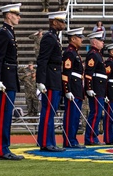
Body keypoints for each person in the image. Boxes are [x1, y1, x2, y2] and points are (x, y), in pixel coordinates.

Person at [0, 2, 24, 159]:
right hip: (4, 78)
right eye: (16, 14)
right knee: (3, 115)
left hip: (9, 78)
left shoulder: (9, 32)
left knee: (8, 115)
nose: (19, 17)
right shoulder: (3, 33)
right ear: (9, 15)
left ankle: (5, 148)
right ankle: (2, 150)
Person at [35, 10, 67, 152]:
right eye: (61, 21)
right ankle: (45, 142)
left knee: (51, 112)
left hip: (54, 78)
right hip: (50, 78)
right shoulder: (49, 38)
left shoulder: (54, 37)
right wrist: (40, 80)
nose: (63, 24)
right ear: (54, 22)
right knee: (48, 112)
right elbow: (42, 60)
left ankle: (49, 141)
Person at [61, 27, 86, 149]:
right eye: (79, 37)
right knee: (71, 115)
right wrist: (67, 90)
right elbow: (66, 73)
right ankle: (69, 140)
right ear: (73, 38)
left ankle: (73, 139)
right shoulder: (69, 52)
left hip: (77, 87)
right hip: (72, 87)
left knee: (75, 116)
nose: (81, 40)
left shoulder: (74, 52)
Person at [83, 30, 106, 145]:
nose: (103, 42)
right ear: (94, 42)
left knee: (97, 114)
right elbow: (88, 73)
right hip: (96, 88)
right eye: (100, 40)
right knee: (95, 113)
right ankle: (90, 138)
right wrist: (89, 88)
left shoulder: (98, 54)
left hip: (100, 88)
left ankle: (93, 136)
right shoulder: (93, 54)